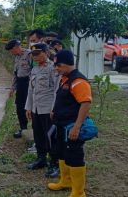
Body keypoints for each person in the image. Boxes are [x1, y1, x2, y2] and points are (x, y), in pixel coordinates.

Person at [48, 50, 92, 197]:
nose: (56, 69)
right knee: (61, 153)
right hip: (61, 124)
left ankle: (79, 192)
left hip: (71, 127)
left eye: (58, 66)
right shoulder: (65, 78)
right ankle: (65, 181)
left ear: (65, 65)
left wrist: (77, 126)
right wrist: (54, 110)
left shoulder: (79, 81)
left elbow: (85, 103)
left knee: (74, 156)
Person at [25, 43, 59, 177]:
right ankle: (41, 159)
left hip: (47, 108)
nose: (35, 57)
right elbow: (31, 90)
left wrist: (54, 108)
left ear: (46, 53)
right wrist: (28, 107)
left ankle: (54, 163)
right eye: (33, 55)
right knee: (38, 134)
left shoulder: (52, 68)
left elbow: (56, 90)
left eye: (38, 54)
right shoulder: (34, 69)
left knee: (50, 136)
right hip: (36, 109)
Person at [5, 39, 32, 138]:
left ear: (16, 47)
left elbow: (35, 70)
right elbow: (15, 74)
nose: (11, 53)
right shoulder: (16, 57)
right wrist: (12, 88)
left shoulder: (29, 55)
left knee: (30, 107)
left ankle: (35, 130)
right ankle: (23, 128)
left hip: (29, 84)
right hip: (20, 85)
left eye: (11, 51)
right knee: (19, 108)